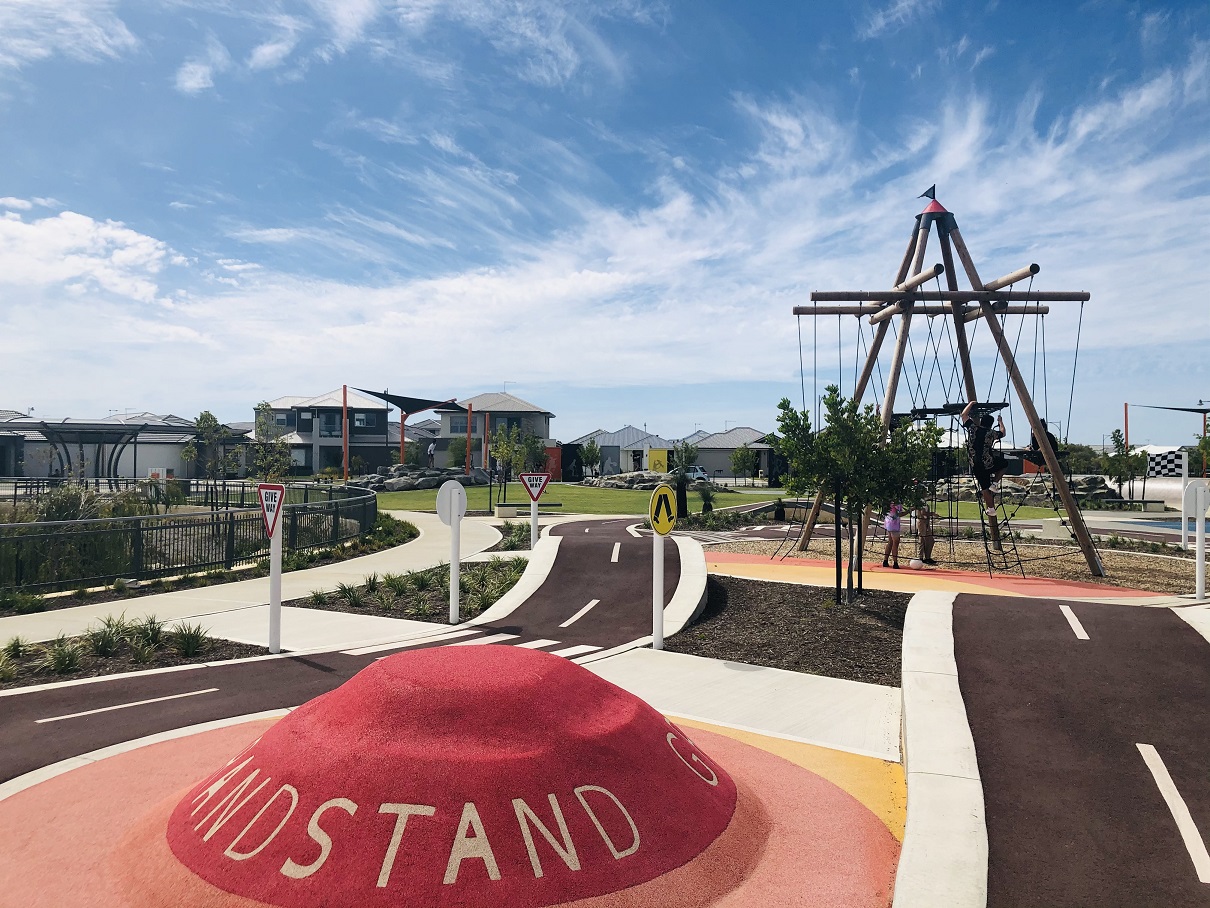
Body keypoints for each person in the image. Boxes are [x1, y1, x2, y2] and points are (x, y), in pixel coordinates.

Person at [960, 399, 1006, 516]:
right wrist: (1000, 421)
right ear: (990, 424)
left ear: (981, 422)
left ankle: (991, 508)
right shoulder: (991, 433)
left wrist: (970, 404)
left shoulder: (973, 428)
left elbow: (963, 415)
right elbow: (1003, 432)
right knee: (1004, 463)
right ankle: (995, 483)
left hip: (975, 464)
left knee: (984, 487)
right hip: (988, 462)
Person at [882, 502, 904, 569]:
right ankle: (895, 562)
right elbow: (899, 514)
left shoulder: (888, 501)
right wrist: (910, 510)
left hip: (888, 522)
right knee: (895, 543)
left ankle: (885, 560)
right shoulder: (896, 503)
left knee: (890, 542)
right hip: (894, 524)